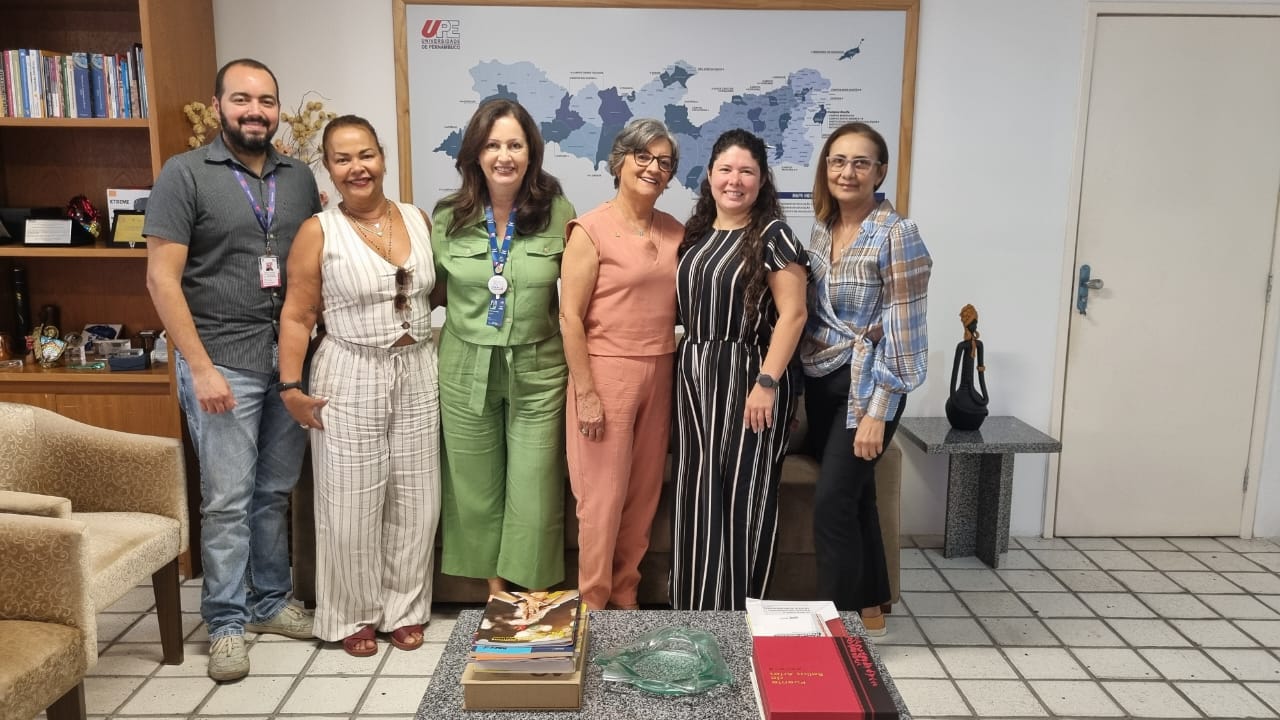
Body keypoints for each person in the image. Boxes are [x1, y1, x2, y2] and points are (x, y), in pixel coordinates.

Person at [143, 58, 320, 682]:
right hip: (221, 361)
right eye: (242, 99)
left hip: (288, 363)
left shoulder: (299, 178)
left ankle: (269, 603)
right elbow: (161, 280)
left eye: (266, 101)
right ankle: (224, 622)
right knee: (225, 501)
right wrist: (199, 368)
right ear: (217, 105)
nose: (255, 111)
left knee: (273, 492)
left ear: (278, 110)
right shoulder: (184, 174)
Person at [276, 115, 441, 657]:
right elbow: (298, 314)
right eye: (343, 159)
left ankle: (404, 609)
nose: (357, 168)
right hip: (349, 370)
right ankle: (352, 614)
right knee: (349, 503)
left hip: (418, 369)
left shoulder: (417, 218)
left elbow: (433, 295)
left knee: (417, 500)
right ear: (328, 168)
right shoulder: (318, 230)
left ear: (382, 158)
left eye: (366, 155)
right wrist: (290, 386)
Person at [431, 98, 575, 597]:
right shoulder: (448, 217)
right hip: (464, 363)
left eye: (515, 145)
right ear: (476, 153)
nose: (504, 156)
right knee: (473, 483)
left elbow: (579, 295)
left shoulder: (558, 211)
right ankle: (495, 590)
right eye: (493, 145)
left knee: (535, 487)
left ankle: (532, 594)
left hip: (539, 367)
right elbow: (428, 290)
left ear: (531, 152)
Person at [670, 129, 809, 611]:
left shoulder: (772, 235)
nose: (735, 180)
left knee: (741, 496)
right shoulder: (695, 235)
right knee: (697, 491)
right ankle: (694, 611)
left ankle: (736, 615)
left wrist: (767, 383)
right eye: (726, 169)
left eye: (747, 171)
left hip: (749, 376)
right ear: (709, 175)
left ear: (762, 179)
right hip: (695, 378)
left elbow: (794, 315)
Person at [802, 122, 931, 634]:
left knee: (832, 502)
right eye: (838, 161)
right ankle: (871, 607)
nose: (848, 172)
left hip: (869, 385)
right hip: (821, 376)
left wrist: (878, 412)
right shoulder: (822, 225)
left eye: (861, 162)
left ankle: (838, 631)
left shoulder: (899, 234)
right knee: (855, 496)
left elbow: (906, 332)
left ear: (880, 171)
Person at [559, 119, 683, 610]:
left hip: (661, 370)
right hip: (606, 374)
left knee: (642, 496)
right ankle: (593, 603)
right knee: (601, 500)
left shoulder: (677, 231)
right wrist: (586, 393)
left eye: (664, 162)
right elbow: (570, 318)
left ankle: (626, 596)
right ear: (619, 162)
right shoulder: (589, 230)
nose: (653, 168)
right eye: (643, 156)